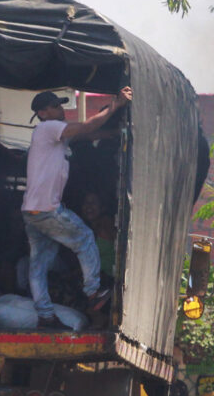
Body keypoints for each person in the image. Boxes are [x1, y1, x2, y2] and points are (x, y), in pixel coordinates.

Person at [22, 88, 132, 330]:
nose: (60, 109)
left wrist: (114, 131)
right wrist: (116, 105)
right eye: (54, 106)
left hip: (32, 211)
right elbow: (85, 128)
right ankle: (94, 292)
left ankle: (45, 315)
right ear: (42, 113)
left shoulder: (50, 136)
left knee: (39, 265)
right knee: (84, 237)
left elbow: (84, 135)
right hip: (47, 209)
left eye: (60, 105)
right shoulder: (48, 128)